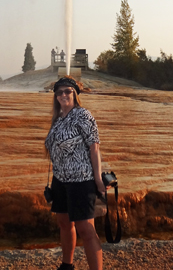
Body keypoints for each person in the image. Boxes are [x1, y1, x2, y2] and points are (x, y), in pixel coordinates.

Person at [45, 77, 106, 270]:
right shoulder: (58, 119)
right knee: (64, 223)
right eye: (59, 92)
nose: (63, 95)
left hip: (81, 180)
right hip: (60, 180)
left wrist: (98, 180)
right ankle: (67, 265)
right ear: (55, 96)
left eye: (67, 91)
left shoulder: (82, 115)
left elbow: (94, 148)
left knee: (86, 229)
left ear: (75, 94)